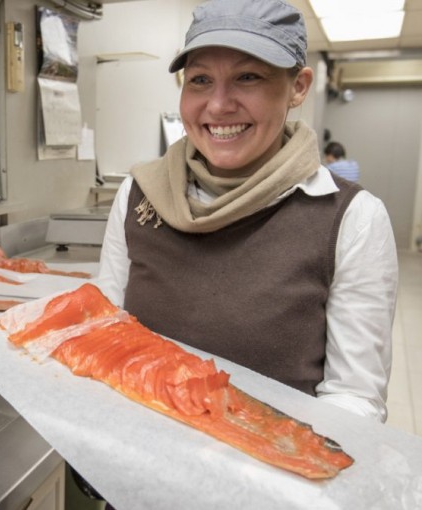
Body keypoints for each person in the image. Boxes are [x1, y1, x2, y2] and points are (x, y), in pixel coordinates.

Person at [96, 0, 397, 423]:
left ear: (298, 86)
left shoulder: (349, 218)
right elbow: (105, 334)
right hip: (129, 452)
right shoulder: (138, 195)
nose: (218, 105)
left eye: (248, 77)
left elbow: (354, 398)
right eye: (200, 79)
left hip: (270, 476)